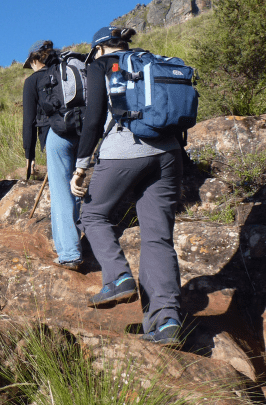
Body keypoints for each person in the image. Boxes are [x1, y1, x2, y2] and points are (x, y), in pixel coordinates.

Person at [71, 26, 183, 346]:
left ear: (100, 49)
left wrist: (81, 166)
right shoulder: (151, 61)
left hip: (124, 152)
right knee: (157, 238)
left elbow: (93, 119)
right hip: (169, 154)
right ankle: (166, 324)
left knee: (92, 214)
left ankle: (118, 277)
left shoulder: (100, 65)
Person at [22, 40, 82, 270]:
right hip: (83, 132)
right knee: (75, 189)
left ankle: (69, 253)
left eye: (31, 63)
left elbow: (29, 121)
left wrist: (29, 153)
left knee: (61, 194)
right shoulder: (67, 72)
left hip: (56, 136)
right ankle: (71, 244)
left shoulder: (33, 80)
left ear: (35, 60)